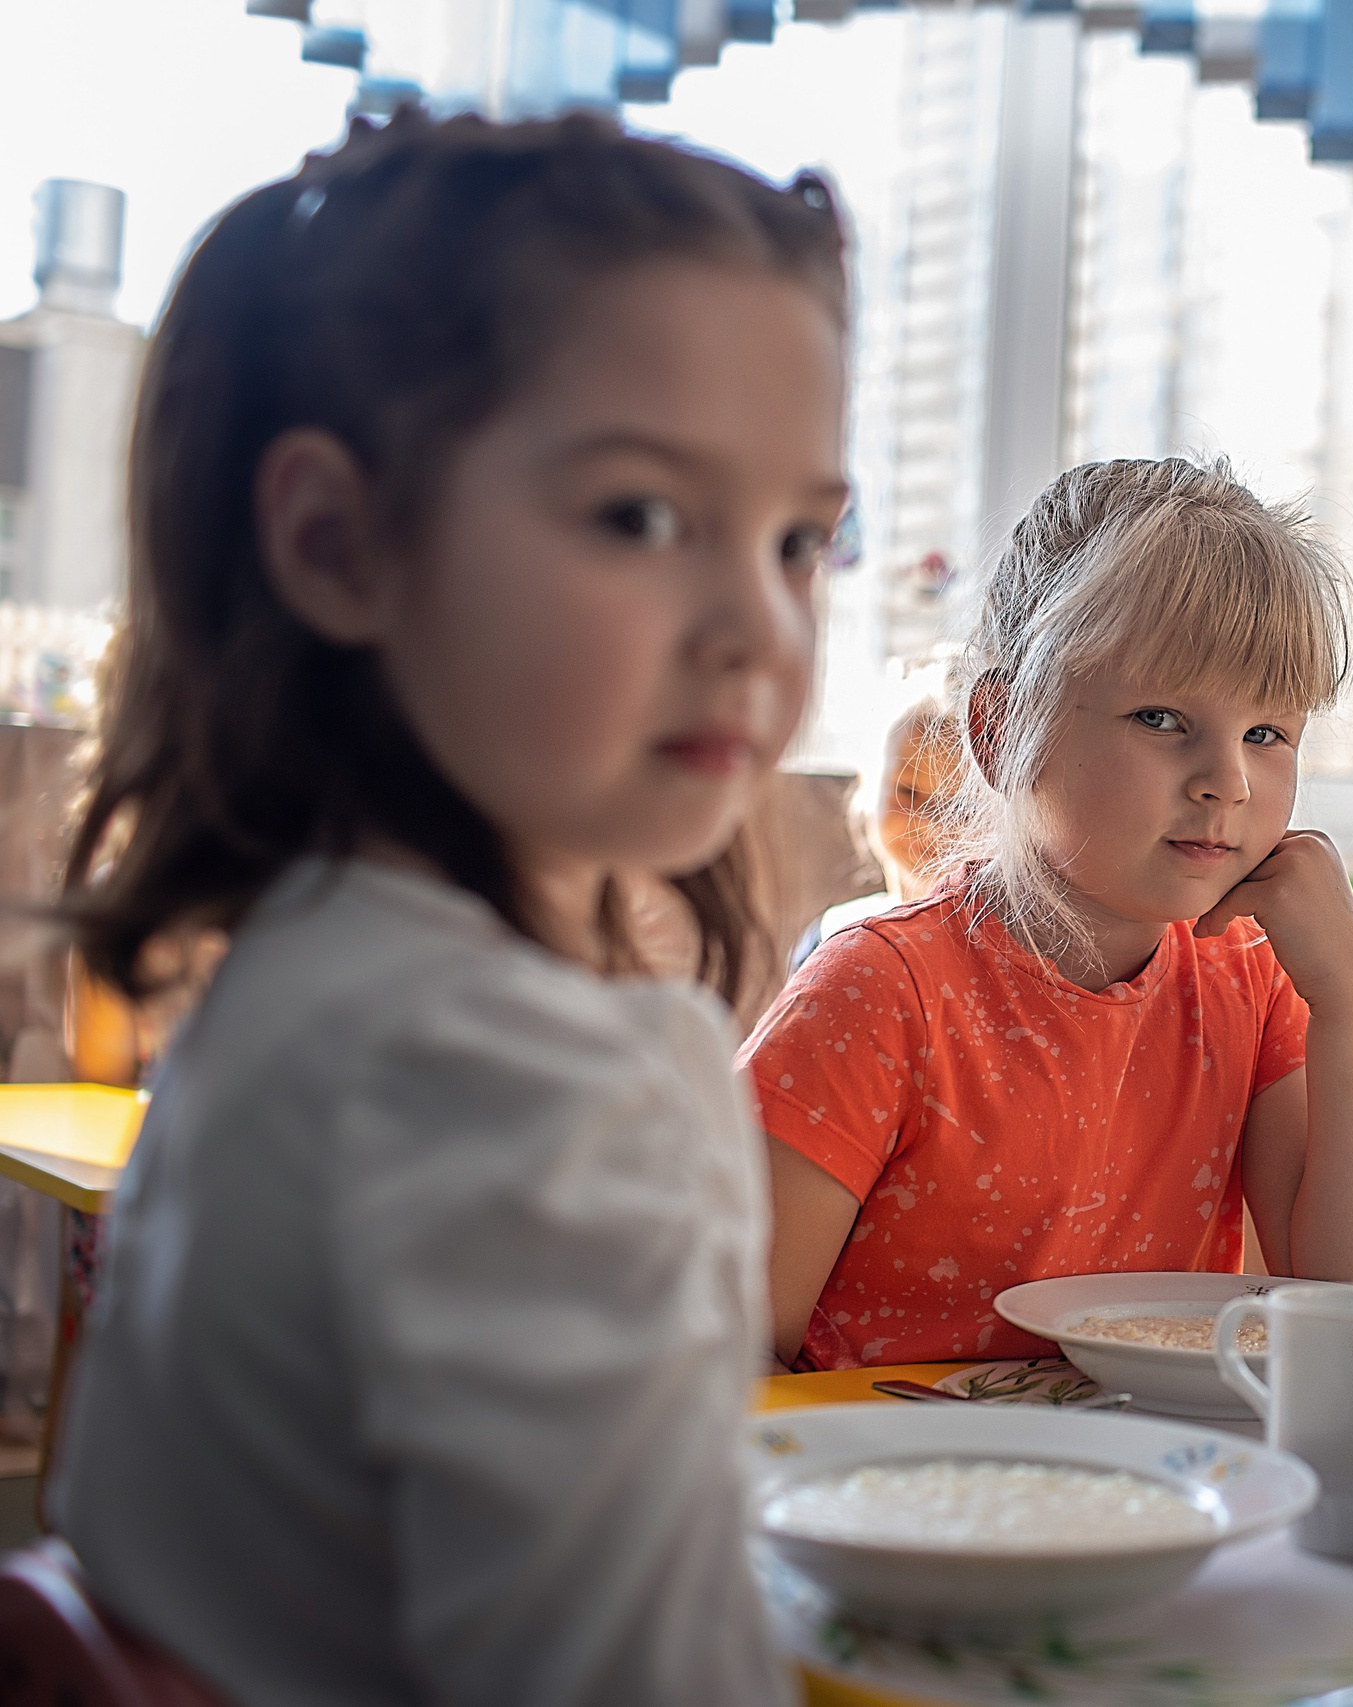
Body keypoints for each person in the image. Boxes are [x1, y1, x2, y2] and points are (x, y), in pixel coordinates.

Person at [48, 111, 847, 1703]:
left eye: (802, 537)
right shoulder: (516, 1083)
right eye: (639, 514)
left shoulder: (309, 968)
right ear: (340, 543)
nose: (760, 621)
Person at [746, 457, 1353, 1370]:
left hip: (1150, 1493)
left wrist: (1351, 993)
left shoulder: (1250, 981)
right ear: (999, 731)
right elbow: (719, 1358)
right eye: (1160, 717)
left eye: (1266, 733)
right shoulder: (879, 993)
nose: (1226, 779)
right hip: (890, 1492)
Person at [789, 678, 963, 967]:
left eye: (960, 807)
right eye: (908, 791)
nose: (932, 823)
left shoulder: (993, 960)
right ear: (867, 790)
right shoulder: (829, 936)